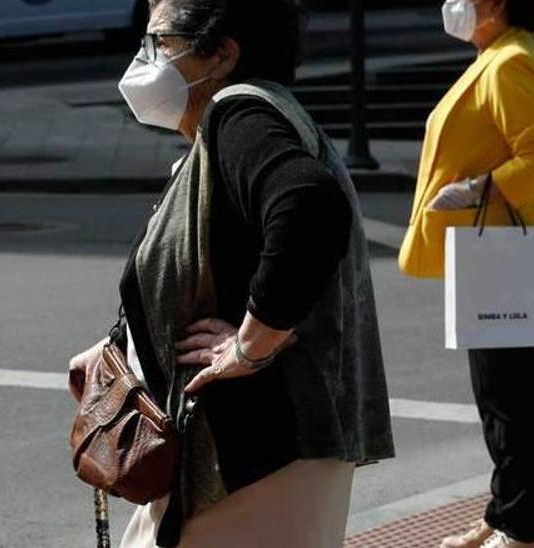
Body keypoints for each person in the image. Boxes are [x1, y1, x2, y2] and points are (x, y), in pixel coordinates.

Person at [67, 0, 394, 546]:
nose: (145, 61)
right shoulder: (246, 122)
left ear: (220, 54)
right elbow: (221, 269)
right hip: (249, 461)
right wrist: (118, 350)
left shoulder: (240, 116)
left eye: (160, 43)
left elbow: (308, 204)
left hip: (256, 460)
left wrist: (251, 343)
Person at [398, 0, 534, 546]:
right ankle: (504, 512)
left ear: (495, 3)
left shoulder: (511, 60)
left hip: (496, 252)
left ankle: (522, 526)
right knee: (497, 393)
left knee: (507, 397)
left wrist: (476, 190)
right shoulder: (498, 54)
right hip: (486, 252)